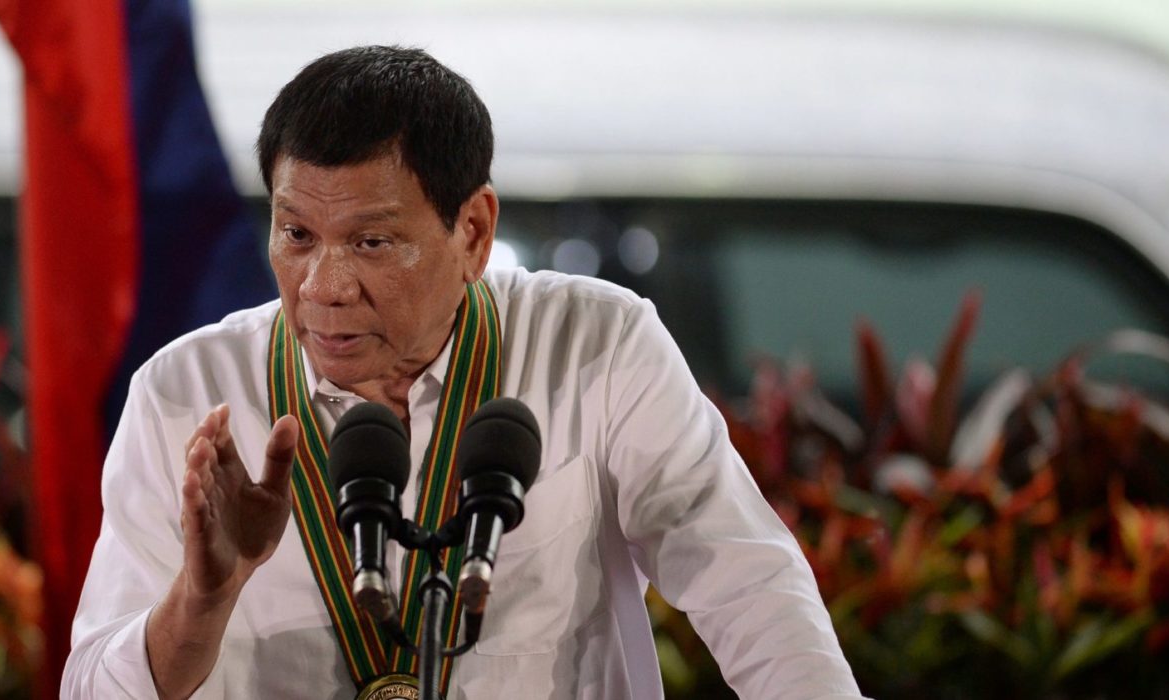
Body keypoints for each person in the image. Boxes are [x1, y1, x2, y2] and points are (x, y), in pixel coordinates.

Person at [63, 45, 865, 699]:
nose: (323, 287)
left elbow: (749, 587)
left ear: (474, 231)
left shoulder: (597, 345)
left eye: (371, 242)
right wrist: (201, 603)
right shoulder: (185, 397)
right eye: (297, 233)